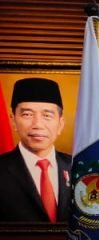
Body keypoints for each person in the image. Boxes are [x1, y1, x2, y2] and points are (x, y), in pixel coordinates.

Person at [0, 77, 72, 222]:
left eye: (47, 115)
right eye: (27, 114)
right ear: (13, 121)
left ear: (60, 124)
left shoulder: (79, 168)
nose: (37, 124)